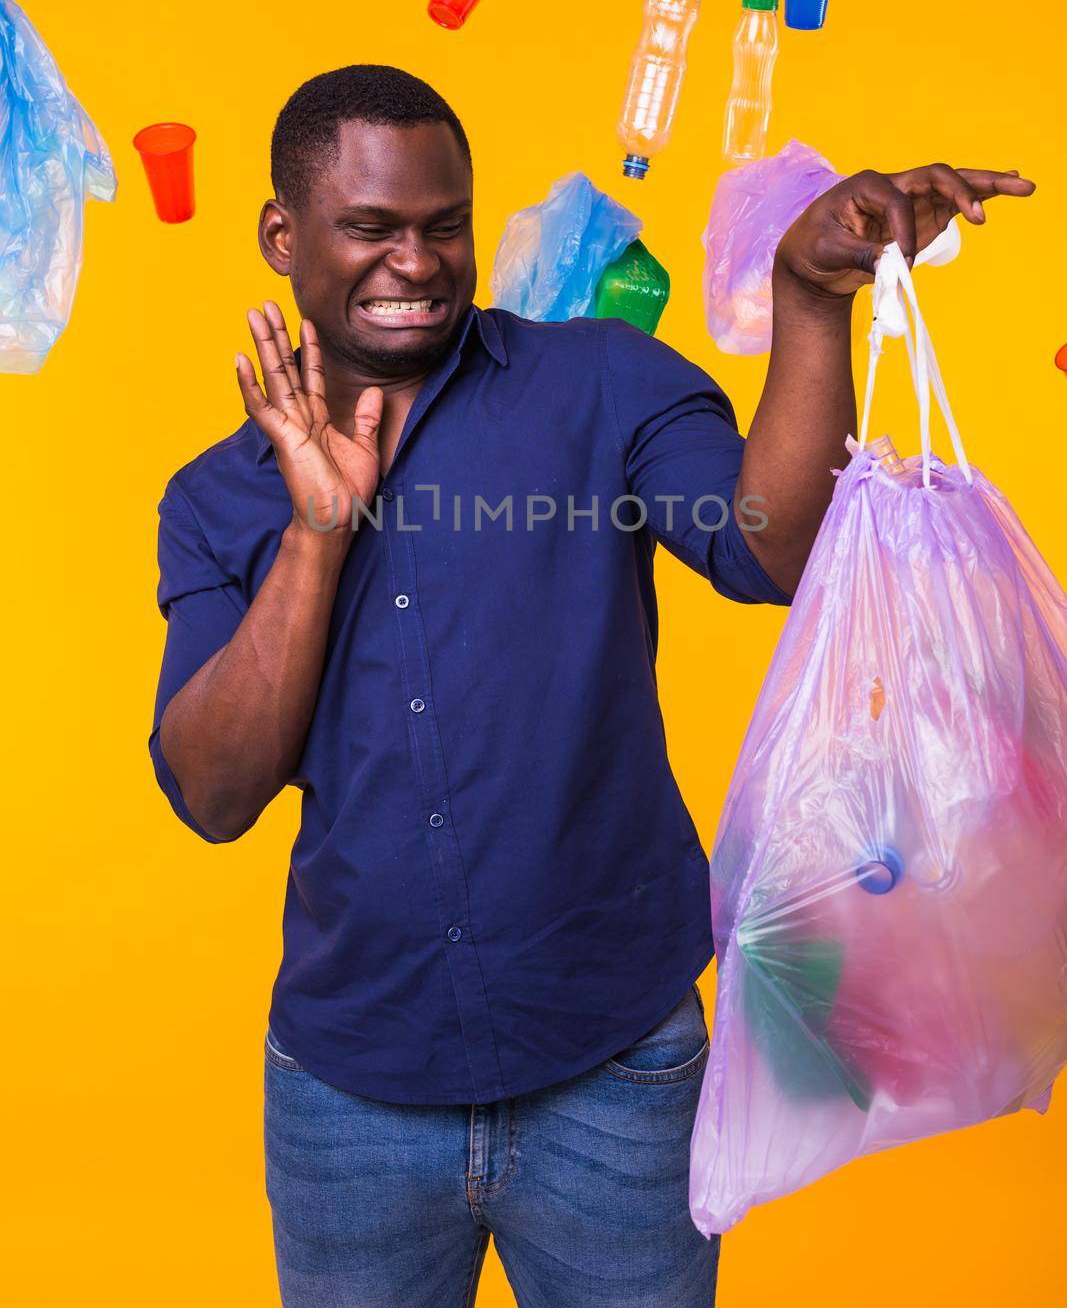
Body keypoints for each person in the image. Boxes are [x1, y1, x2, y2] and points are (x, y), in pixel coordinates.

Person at [149, 64, 1033, 1307]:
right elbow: (214, 790)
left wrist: (806, 296)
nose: (415, 261)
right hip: (349, 1102)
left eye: (442, 224)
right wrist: (315, 530)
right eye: (369, 228)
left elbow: (768, 547)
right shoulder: (215, 499)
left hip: (614, 1079)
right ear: (282, 236)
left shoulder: (603, 384)